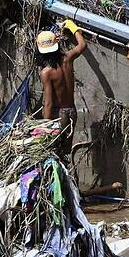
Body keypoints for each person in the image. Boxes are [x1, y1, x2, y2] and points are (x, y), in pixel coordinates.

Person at [37, 19, 87, 158]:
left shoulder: (46, 72)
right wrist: (73, 27)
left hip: (58, 114)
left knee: (53, 154)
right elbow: (82, 45)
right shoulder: (68, 58)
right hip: (71, 112)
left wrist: (45, 127)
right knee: (65, 153)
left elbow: (48, 102)